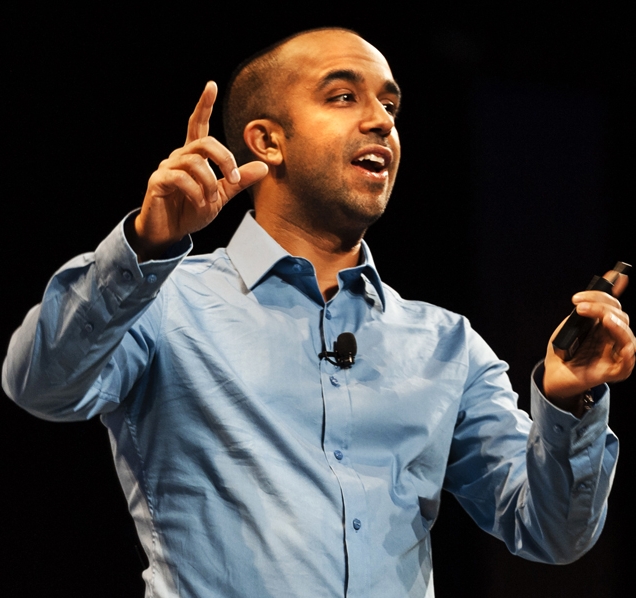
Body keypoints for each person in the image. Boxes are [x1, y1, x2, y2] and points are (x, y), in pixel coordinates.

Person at [3, 28, 634, 598]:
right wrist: (144, 245)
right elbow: (40, 385)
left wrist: (568, 403)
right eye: (343, 97)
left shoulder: (446, 345)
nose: (382, 122)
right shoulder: (164, 301)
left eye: (390, 105)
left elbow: (553, 534)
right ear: (267, 140)